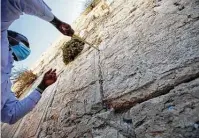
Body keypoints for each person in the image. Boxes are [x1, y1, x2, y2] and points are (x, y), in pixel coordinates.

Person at [1, 0, 74, 124]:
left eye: (15, 58)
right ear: (10, 39)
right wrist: (56, 22)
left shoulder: (5, 84)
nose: (12, 60)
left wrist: (41, 86)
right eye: (11, 52)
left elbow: (11, 114)